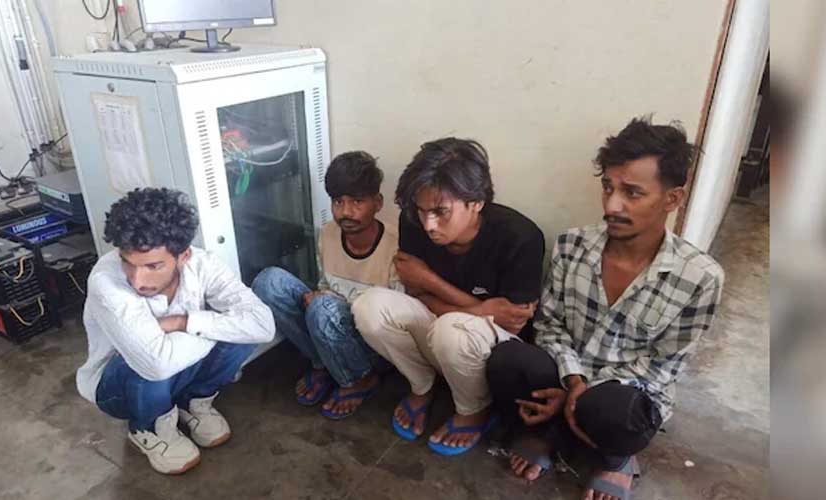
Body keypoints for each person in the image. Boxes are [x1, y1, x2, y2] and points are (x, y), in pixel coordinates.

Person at [486, 117, 724, 500]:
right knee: (507, 359)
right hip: (566, 376)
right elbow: (550, 326)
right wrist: (573, 383)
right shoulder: (572, 246)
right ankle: (549, 431)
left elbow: (664, 366)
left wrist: (584, 394)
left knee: (615, 411)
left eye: (632, 193)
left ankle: (616, 458)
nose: (612, 204)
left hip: (623, 394)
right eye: (608, 187)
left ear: (672, 199)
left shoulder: (700, 277)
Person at [352, 137, 545, 456]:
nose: (429, 224)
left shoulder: (520, 237)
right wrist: (483, 308)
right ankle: (422, 385)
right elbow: (415, 294)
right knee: (368, 306)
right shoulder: (413, 222)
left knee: (452, 330)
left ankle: (473, 409)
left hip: (487, 352)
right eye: (422, 210)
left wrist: (430, 280)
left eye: (441, 212)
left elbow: (511, 324)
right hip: (442, 333)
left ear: (476, 202)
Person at [75, 188, 274, 475]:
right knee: (149, 359)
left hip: (178, 363)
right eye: (127, 262)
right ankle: (148, 427)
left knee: (242, 334)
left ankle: (193, 400)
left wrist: (184, 322)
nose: (138, 280)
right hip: (119, 386)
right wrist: (214, 325)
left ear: (183, 256)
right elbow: (156, 364)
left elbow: (263, 325)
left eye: (153, 266)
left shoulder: (203, 264)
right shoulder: (106, 281)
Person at [251, 151, 399, 419]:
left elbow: (394, 321)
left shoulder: (395, 245)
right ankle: (324, 364)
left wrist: (328, 303)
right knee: (268, 282)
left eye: (357, 201)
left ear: (377, 203)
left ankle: (360, 379)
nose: (346, 212)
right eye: (338, 201)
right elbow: (326, 284)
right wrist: (320, 296)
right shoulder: (329, 233)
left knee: (323, 308)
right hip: (328, 323)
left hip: (373, 347)